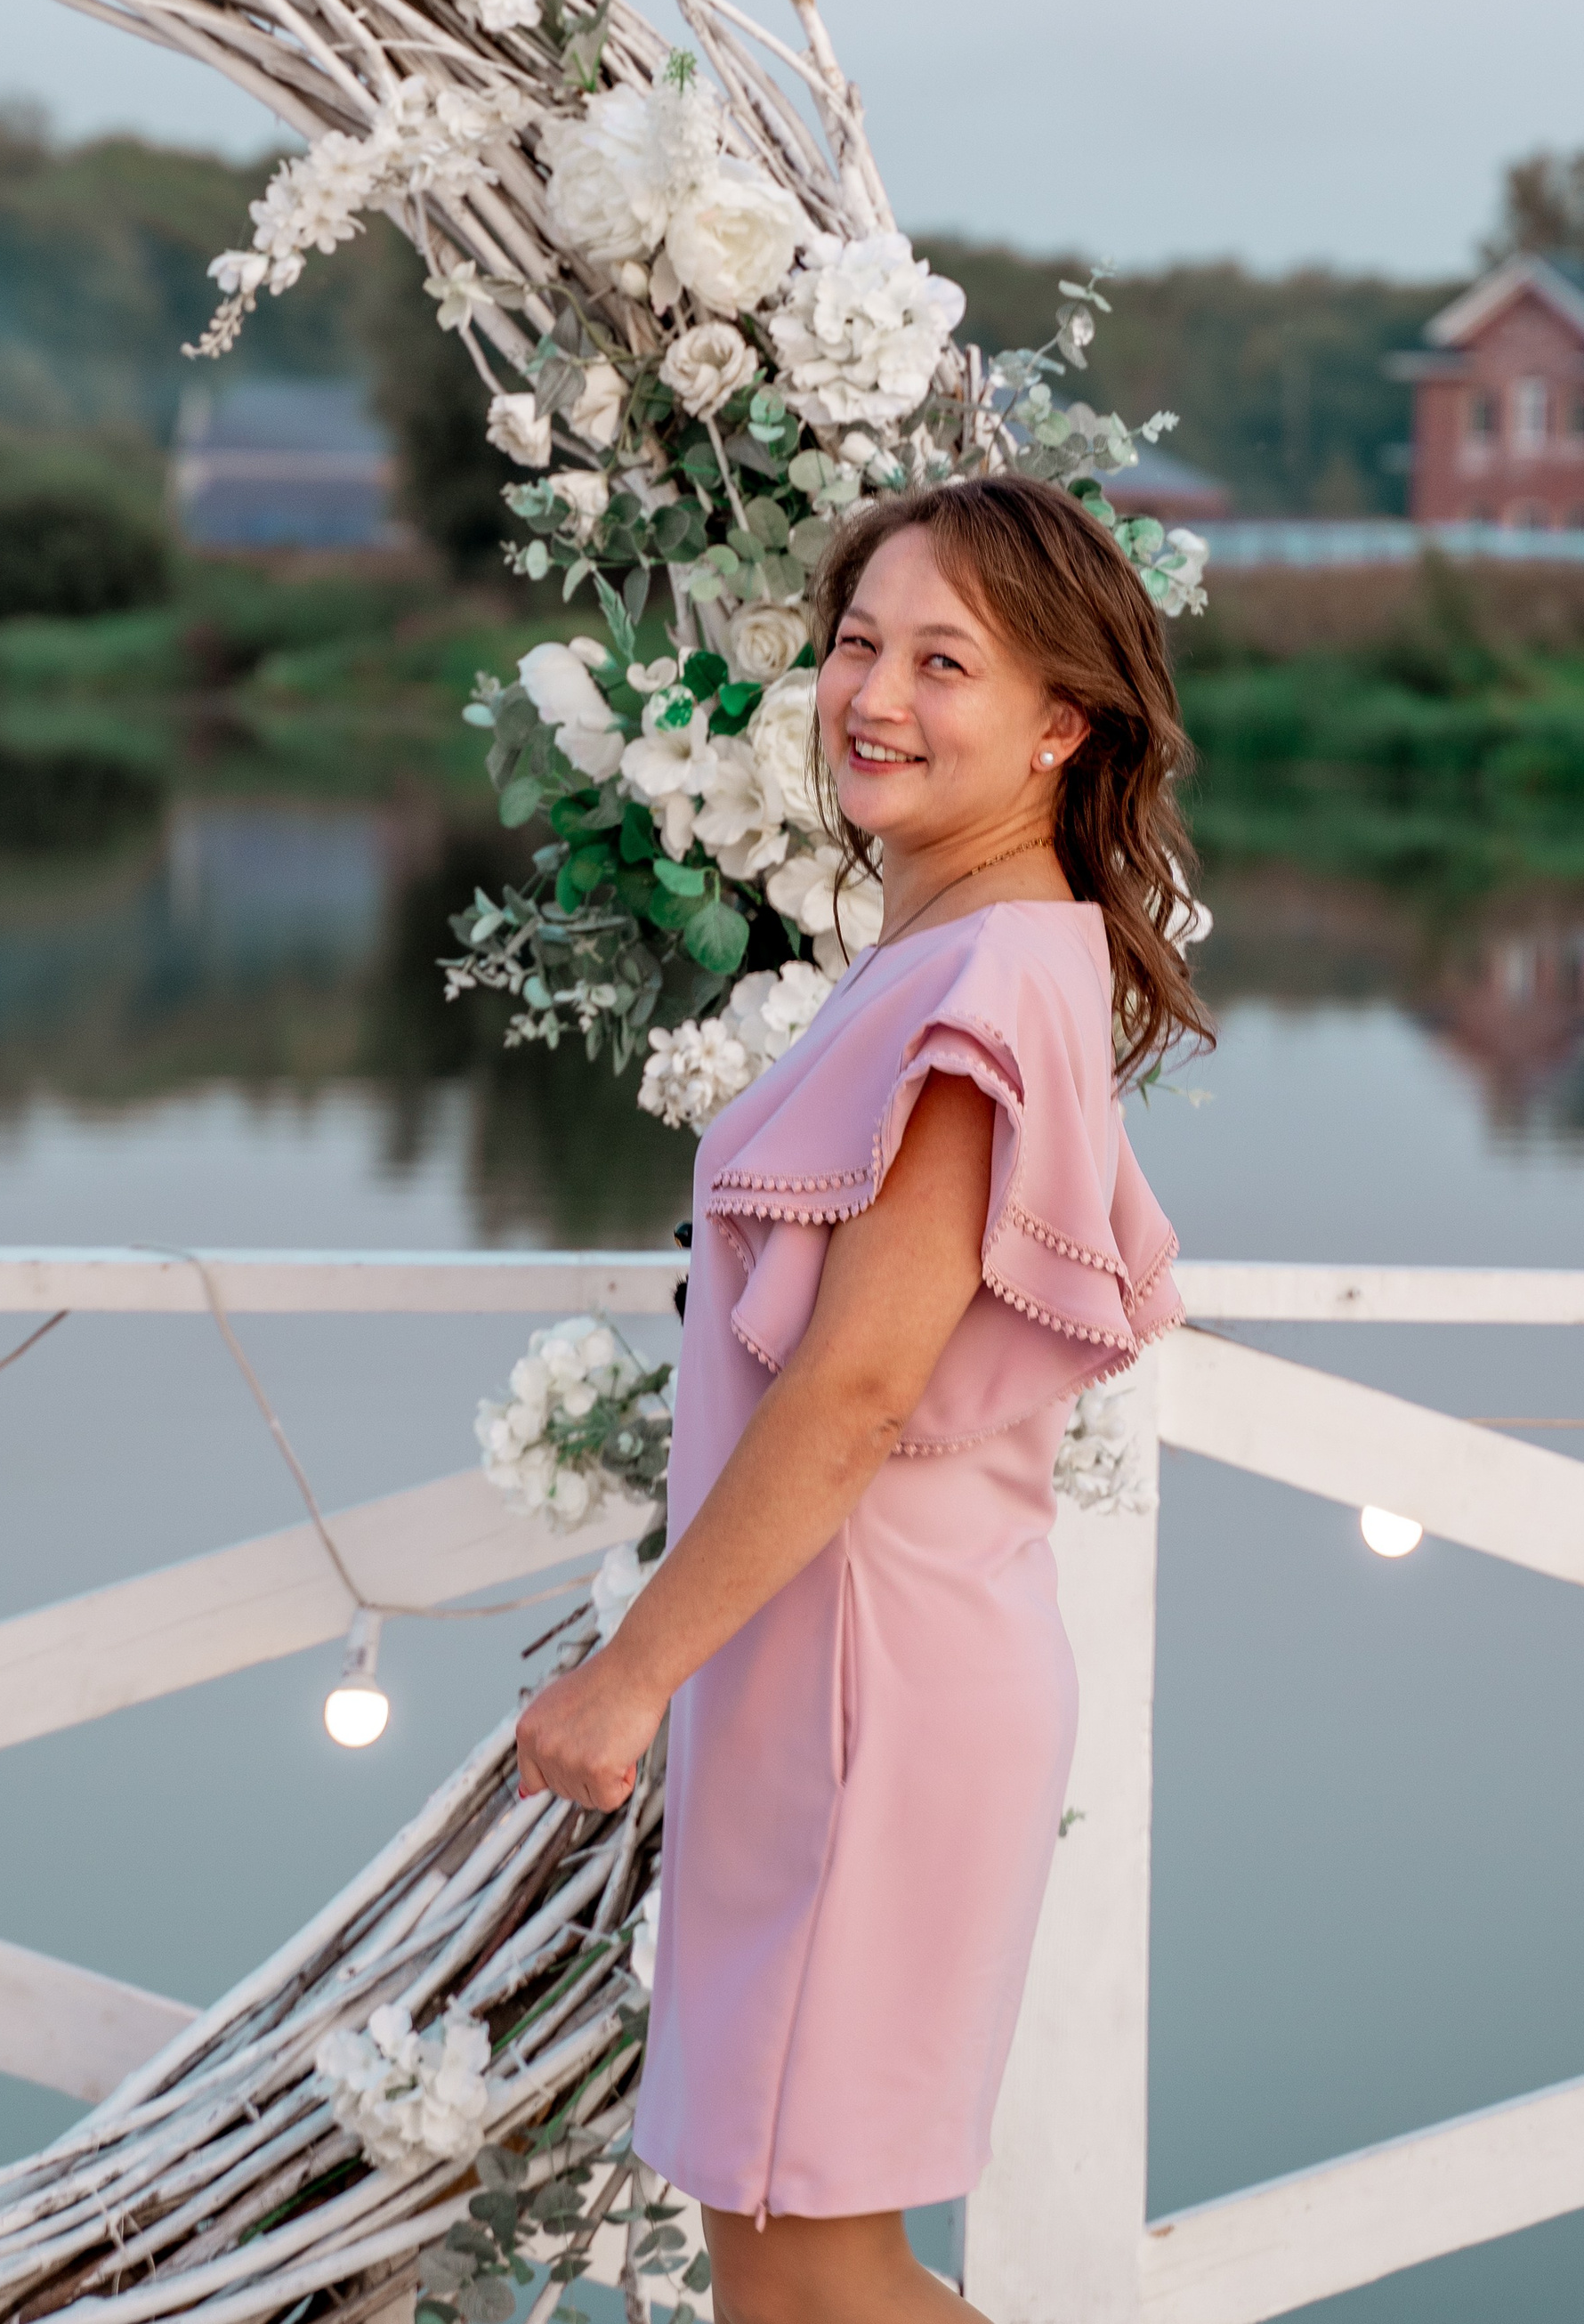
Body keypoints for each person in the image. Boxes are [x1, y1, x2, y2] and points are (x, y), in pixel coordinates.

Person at [515, 475, 1212, 2324]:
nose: (874, 697)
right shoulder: (961, 954)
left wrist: (628, 1675)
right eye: (854, 645)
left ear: (1063, 724)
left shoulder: (985, 984)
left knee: (813, 2272)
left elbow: (858, 1388)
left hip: (865, 1690)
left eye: (943, 663)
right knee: (788, 2262)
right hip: (839, 1673)